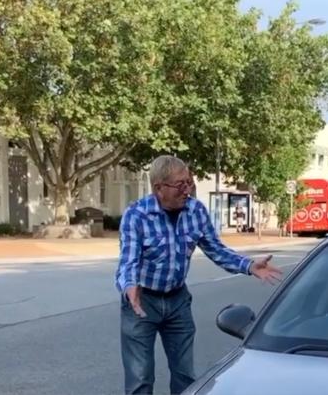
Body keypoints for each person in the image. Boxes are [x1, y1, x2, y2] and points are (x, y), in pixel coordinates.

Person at [116, 155, 283, 395]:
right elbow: (128, 259)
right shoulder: (137, 214)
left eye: (189, 183)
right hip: (141, 302)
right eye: (180, 185)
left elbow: (216, 249)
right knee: (140, 378)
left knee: (185, 375)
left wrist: (248, 265)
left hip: (177, 301)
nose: (187, 190)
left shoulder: (195, 211)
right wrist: (129, 285)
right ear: (158, 188)